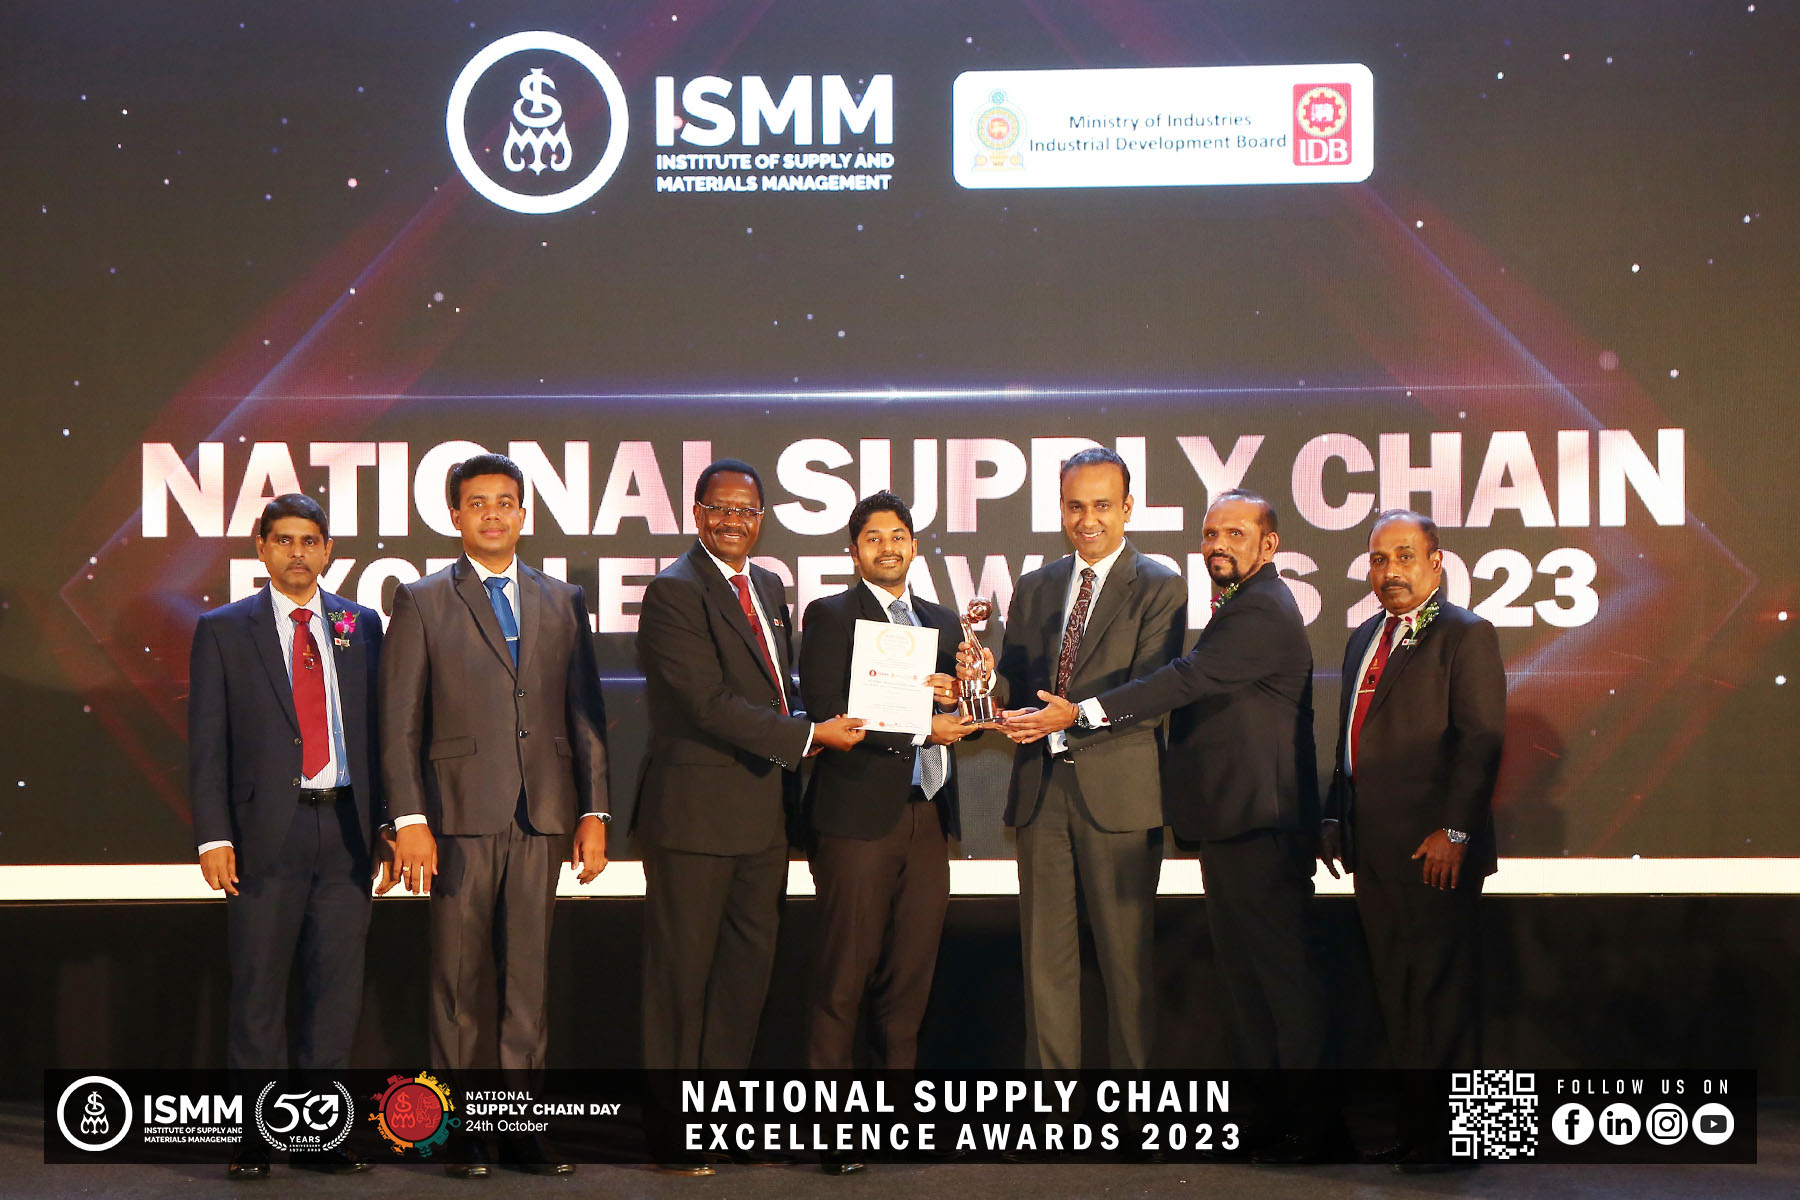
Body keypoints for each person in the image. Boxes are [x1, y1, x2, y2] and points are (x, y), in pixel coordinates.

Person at [1006, 489, 1329, 1154]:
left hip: (1261, 823)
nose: (1218, 545)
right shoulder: (1243, 603)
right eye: (1211, 534)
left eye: (1235, 534)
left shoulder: (1262, 607)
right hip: (1231, 824)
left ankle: (1315, 1127)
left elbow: (1184, 679)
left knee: (1281, 982)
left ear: (1269, 545)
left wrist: (1083, 712)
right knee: (1249, 983)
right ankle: (1277, 1122)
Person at [633, 458, 865, 1175]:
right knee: (682, 979)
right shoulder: (674, 591)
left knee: (744, 975)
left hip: (764, 814)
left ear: (761, 519)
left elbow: (775, 692)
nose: (733, 520)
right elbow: (705, 703)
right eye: (720, 508)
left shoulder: (766, 585)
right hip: (694, 819)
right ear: (697, 513)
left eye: (746, 510)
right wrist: (808, 735)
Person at [380, 453, 609, 1178]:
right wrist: (409, 818)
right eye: (477, 503)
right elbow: (398, 723)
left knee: (527, 984)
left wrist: (595, 810)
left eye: (505, 502)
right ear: (454, 515)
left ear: (523, 514)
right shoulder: (421, 600)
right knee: (458, 984)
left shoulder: (562, 598)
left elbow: (586, 713)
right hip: (456, 815)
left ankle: (519, 1129)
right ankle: (461, 1131)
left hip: (543, 812)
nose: (492, 514)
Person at [961, 447, 1187, 1069]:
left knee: (1127, 966)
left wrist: (1076, 715)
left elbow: (1152, 692)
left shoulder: (1160, 585)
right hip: (1041, 794)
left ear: (1128, 508)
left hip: (1119, 795)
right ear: (1060, 509)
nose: (1088, 520)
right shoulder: (1035, 587)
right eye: (1075, 506)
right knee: (1046, 965)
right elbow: (1019, 686)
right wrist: (985, 681)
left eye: (1102, 506)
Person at [188, 493, 382, 1178]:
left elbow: (383, 732)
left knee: (335, 993)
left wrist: (390, 823)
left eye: (309, 541)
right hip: (264, 834)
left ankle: (320, 1136)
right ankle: (255, 1138)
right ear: (262, 548)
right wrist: (213, 836)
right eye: (283, 540)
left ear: (327, 550)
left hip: (348, 831)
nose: (297, 552)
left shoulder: (362, 624)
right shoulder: (223, 629)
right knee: (259, 991)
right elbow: (207, 744)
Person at [1320, 510, 1506, 1170]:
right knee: (1399, 994)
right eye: (1378, 559)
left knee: (1443, 995)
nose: (1390, 570)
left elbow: (1482, 739)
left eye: (1404, 556)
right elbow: (1350, 738)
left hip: (1437, 849)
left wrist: (1455, 829)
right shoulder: (1363, 637)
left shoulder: (1465, 633)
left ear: (1436, 562)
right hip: (1373, 849)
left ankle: (1468, 1138)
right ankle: (1422, 1129)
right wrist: (1335, 817)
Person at [798, 492, 973, 1173]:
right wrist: (923, 726)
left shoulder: (943, 621)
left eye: (898, 535)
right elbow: (825, 708)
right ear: (854, 551)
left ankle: (896, 1120)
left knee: (910, 978)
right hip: (856, 820)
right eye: (874, 538)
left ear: (914, 545)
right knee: (844, 976)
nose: (888, 547)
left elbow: (966, 713)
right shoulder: (831, 615)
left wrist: (965, 694)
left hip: (927, 814)